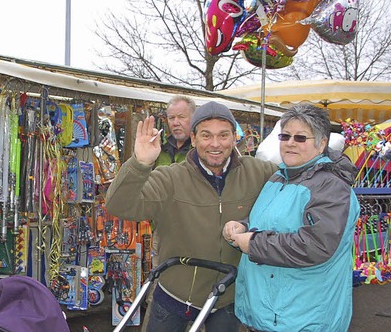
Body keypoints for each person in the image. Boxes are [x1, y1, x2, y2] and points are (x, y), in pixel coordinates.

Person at [105, 101, 276, 332]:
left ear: (235, 138)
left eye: (223, 135)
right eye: (206, 135)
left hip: (228, 298)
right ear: (193, 139)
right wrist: (140, 163)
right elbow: (119, 205)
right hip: (174, 295)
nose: (215, 144)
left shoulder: (259, 172)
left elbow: (299, 182)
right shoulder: (169, 178)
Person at [223, 104, 360, 332]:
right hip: (271, 312)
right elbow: (271, 221)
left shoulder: (330, 187)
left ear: (322, 142)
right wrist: (242, 226)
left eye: (300, 137)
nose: (290, 142)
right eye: (285, 136)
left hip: (302, 318)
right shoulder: (279, 177)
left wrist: (254, 242)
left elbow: (316, 245)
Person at [143, 95, 196, 328]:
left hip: (196, 230)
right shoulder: (159, 150)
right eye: (171, 118)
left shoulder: (203, 150)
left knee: (195, 290)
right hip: (163, 232)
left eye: (181, 117)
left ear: (194, 118)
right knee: (161, 288)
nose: (176, 122)